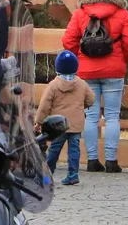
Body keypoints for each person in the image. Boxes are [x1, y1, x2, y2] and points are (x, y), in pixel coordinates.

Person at [62, 0, 128, 174]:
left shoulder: (81, 13)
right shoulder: (122, 13)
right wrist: (122, 60)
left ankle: (93, 160)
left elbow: (68, 40)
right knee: (112, 116)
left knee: (91, 116)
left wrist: (80, 59)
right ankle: (112, 161)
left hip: (86, 71)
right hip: (114, 70)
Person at [37, 51, 93, 186]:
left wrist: (38, 121)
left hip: (58, 125)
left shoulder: (53, 85)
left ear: (58, 68)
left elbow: (45, 104)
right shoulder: (82, 84)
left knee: (54, 150)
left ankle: (47, 175)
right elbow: (91, 99)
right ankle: (73, 174)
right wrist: (80, 106)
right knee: (74, 149)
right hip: (76, 123)